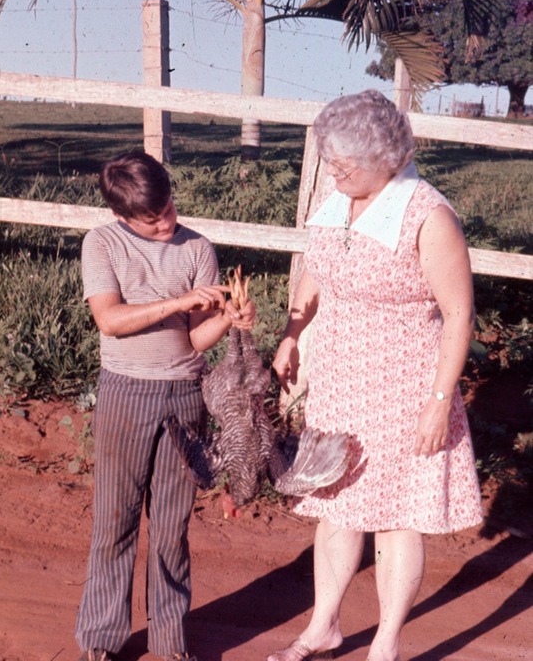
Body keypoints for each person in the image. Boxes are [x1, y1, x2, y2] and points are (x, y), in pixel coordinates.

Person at [269, 90, 483, 661]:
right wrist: (292, 333)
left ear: (386, 158)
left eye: (343, 165)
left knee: (395, 516)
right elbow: (317, 269)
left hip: (403, 389)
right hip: (340, 381)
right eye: (329, 162)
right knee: (336, 504)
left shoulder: (427, 215)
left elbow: (459, 313)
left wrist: (440, 402)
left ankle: (385, 643)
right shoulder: (340, 198)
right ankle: (323, 627)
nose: (333, 173)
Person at [75, 150, 255, 661]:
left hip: (185, 394)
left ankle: (170, 642)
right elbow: (109, 320)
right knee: (115, 522)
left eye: (169, 208)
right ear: (121, 215)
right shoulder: (101, 243)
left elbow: (197, 341)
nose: (166, 222)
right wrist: (178, 302)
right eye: (152, 220)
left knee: (172, 527)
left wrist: (230, 320)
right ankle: (101, 640)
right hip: (125, 390)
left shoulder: (197, 247)